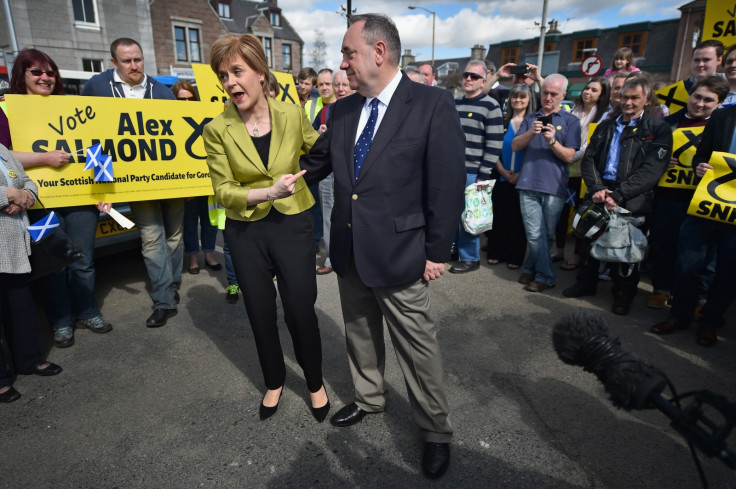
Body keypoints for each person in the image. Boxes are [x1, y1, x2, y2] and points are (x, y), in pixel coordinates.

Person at [300, 13, 465, 479]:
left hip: (402, 252)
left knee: (417, 346)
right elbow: (317, 162)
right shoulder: (345, 108)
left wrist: (437, 251)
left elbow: (447, 186)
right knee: (359, 333)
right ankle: (369, 398)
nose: (342, 62)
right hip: (350, 249)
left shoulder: (433, 104)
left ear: (378, 51)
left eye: (348, 52)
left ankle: (435, 431)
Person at [202, 33, 329, 422]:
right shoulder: (216, 129)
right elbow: (223, 191)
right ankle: (274, 381)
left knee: (300, 309)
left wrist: (306, 176)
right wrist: (267, 191)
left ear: (260, 72)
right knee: (259, 311)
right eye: (223, 76)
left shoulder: (292, 114)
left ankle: (314, 382)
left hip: (293, 224)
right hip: (245, 231)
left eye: (237, 71)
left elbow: (316, 150)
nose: (230, 82)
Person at [5, 48, 111, 348]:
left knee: (83, 260)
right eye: (36, 72)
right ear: (21, 75)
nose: (45, 77)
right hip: (36, 204)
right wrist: (44, 158)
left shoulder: (72, 106)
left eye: (50, 72)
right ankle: (62, 322)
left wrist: (104, 191)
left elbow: (97, 149)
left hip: (79, 200)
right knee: (53, 264)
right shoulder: (7, 109)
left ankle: (88, 312)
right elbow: (2, 153)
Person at [82, 38, 183, 328]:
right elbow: (92, 139)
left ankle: (172, 286)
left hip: (170, 181)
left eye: (138, 59)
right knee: (152, 239)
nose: (134, 66)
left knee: (174, 237)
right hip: (134, 183)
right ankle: (164, 300)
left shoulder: (161, 91)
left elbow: (177, 137)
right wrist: (101, 186)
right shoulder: (97, 89)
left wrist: (190, 183)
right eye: (127, 61)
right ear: (113, 62)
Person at [563, 77, 672, 315]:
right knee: (588, 240)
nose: (628, 102)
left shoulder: (658, 129)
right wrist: (597, 188)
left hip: (633, 198)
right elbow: (589, 158)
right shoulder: (606, 125)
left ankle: (623, 296)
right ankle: (586, 284)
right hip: (600, 192)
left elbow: (652, 170)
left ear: (646, 99)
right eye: (625, 97)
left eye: (635, 98)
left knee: (627, 250)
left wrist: (620, 194)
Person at [650, 102, 736, 346]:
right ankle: (679, 315)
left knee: (728, 272)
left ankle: (710, 323)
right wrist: (699, 165)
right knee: (688, 263)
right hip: (706, 204)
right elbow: (701, 153)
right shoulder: (722, 115)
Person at [0, 143, 63, 403]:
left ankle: (28, 361)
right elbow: (10, 190)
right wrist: (8, 195)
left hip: (12, 245)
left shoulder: (2, 149)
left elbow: (26, 179)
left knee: (20, 306)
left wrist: (25, 195)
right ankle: (1, 381)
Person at [511, 74, 581, 293]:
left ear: (563, 95)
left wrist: (552, 141)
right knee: (534, 233)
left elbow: (570, 156)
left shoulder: (571, 121)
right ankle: (546, 276)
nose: (548, 97)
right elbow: (515, 146)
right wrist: (532, 132)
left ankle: (532, 267)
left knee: (545, 235)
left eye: (554, 94)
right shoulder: (531, 118)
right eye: (545, 93)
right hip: (528, 184)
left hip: (554, 187)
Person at [450, 60, 503, 274]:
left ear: (484, 81)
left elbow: (494, 143)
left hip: (474, 173)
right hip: (452, 171)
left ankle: (471, 258)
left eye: (474, 76)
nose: (469, 79)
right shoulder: (455, 103)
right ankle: (453, 250)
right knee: (452, 214)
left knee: (470, 216)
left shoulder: (491, 105)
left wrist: (483, 174)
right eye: (466, 75)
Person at [552, 77, 610, 271]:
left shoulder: (603, 117)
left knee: (580, 215)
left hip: (582, 174)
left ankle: (577, 255)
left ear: (602, 95)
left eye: (594, 90)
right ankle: (559, 249)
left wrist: (567, 155)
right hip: (563, 171)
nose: (588, 92)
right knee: (560, 213)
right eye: (587, 88)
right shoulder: (572, 112)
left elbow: (587, 146)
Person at [172, 81, 222, 276]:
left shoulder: (207, 118)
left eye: (189, 98)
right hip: (185, 184)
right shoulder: (170, 122)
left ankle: (209, 255)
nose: (186, 102)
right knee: (190, 222)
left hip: (208, 180)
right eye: (180, 99)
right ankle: (193, 257)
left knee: (210, 221)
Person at [486, 83, 535, 269]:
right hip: (502, 176)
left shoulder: (532, 123)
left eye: (522, 97)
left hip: (523, 179)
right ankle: (496, 252)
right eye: (515, 96)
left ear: (529, 100)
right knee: (499, 218)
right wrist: (502, 171)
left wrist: (520, 174)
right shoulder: (502, 122)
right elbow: (494, 149)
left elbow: (533, 152)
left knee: (518, 220)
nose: (518, 100)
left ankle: (515, 256)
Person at [313, 69, 355, 275]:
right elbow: (314, 144)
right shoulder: (326, 111)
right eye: (336, 85)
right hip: (330, 173)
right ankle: (332, 257)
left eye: (344, 84)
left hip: (354, 174)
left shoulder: (363, 107)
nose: (340, 89)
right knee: (329, 214)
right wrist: (320, 135)